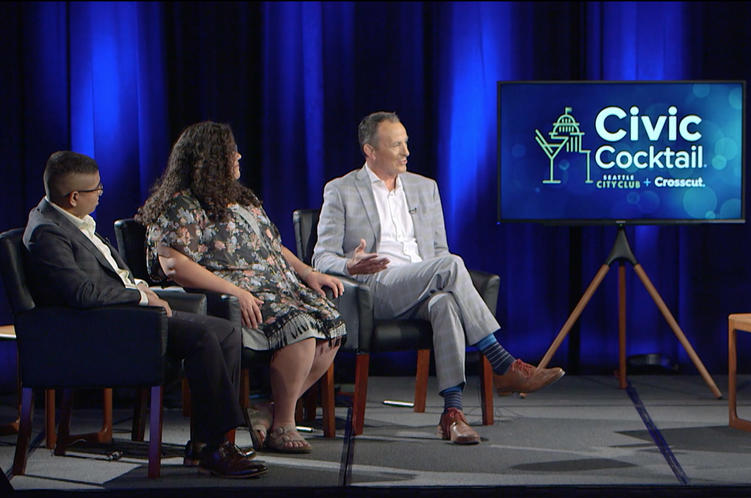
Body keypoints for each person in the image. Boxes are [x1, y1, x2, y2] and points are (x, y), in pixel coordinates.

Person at [313, 111, 565, 445]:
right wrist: (350, 265)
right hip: (373, 289)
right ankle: (501, 363)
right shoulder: (342, 190)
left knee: (445, 302)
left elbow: (438, 251)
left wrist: (436, 273)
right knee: (450, 265)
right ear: (370, 151)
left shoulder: (424, 188)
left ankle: (452, 414)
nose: (406, 152)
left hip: (422, 284)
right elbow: (320, 257)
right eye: (395, 145)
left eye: (406, 143)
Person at [23, 151, 266, 478]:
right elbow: (80, 293)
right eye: (96, 190)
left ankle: (208, 443)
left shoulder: (68, 218)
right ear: (74, 197)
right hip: (101, 329)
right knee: (205, 336)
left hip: (123, 314)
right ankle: (214, 449)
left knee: (225, 330)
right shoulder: (47, 233)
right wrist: (140, 297)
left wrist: (140, 286)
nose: (101, 194)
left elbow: (106, 273)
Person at [136, 121, 346, 454]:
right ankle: (284, 425)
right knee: (299, 326)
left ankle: (269, 410)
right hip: (236, 295)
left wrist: (307, 273)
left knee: (330, 324)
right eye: (230, 151)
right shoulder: (183, 205)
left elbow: (273, 246)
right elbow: (174, 264)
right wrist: (236, 292)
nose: (238, 156)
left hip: (280, 287)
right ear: (212, 158)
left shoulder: (242, 200)